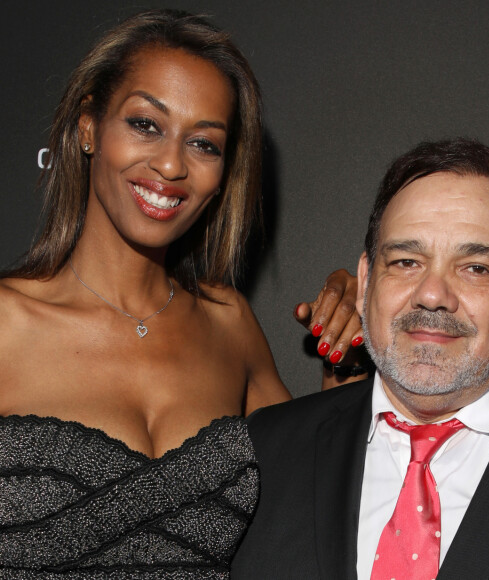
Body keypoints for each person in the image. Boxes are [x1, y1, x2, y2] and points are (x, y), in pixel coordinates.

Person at [0, 9, 363, 576]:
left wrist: (346, 356)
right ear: (89, 127)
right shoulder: (6, 323)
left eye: (204, 144)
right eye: (146, 124)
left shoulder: (228, 322)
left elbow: (320, 501)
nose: (171, 164)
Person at [231, 138, 489, 580]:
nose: (432, 294)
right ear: (365, 278)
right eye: (406, 261)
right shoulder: (264, 450)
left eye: (476, 268)